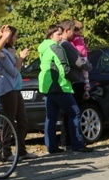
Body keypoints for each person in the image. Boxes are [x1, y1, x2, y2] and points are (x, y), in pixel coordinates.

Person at [38, 24, 92, 153]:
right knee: (75, 113)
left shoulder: (43, 47)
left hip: (47, 86)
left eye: (61, 34)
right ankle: (77, 144)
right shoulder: (56, 48)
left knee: (51, 117)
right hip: (60, 85)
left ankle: (51, 146)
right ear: (51, 35)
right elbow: (64, 68)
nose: (61, 37)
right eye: (58, 34)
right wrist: (74, 78)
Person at [0, 26, 34, 160]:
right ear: (8, 37)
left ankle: (22, 150)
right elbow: (13, 71)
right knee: (9, 120)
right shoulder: (2, 52)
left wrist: (17, 57)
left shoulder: (9, 52)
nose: (17, 38)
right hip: (8, 90)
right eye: (15, 36)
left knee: (23, 120)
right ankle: (6, 152)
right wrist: (21, 58)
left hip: (16, 89)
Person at [70, 20, 90, 100]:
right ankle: (86, 83)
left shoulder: (79, 38)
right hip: (80, 56)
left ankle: (87, 83)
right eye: (78, 30)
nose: (80, 31)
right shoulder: (72, 39)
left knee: (85, 71)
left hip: (83, 56)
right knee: (85, 69)